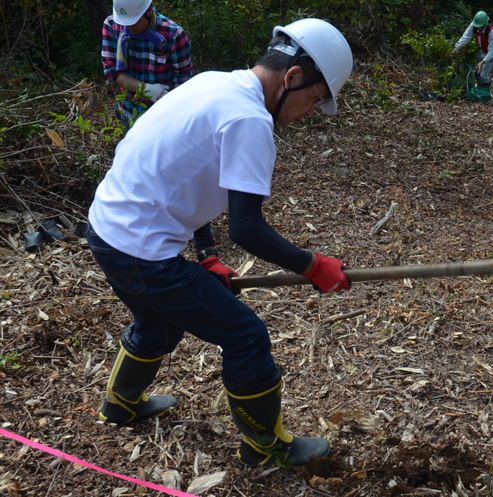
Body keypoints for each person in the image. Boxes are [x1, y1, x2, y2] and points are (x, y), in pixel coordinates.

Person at [87, 18, 353, 467]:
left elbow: (182, 173)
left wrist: (206, 255)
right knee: (246, 336)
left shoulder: (214, 83)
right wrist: (312, 265)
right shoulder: (250, 120)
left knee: (161, 324)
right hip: (143, 250)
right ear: (292, 77)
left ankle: (121, 404)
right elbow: (247, 228)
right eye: (313, 99)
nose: (307, 113)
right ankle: (266, 446)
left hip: (108, 230)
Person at [101, 0, 192, 126]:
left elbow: (182, 78)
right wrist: (147, 90)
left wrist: (173, 105)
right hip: (128, 113)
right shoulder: (112, 25)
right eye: (124, 22)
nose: (129, 26)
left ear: (149, 10)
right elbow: (112, 71)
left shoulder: (173, 34)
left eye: (133, 22)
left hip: (164, 116)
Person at [450, 11, 493, 89]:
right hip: (481, 49)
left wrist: (483, 62)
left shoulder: (492, 31)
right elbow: (466, 37)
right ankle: (480, 88)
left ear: (484, 24)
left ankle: (486, 91)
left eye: (479, 26)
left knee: (483, 74)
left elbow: (491, 51)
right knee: (477, 72)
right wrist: (456, 49)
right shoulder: (474, 25)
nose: (477, 27)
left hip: (490, 52)